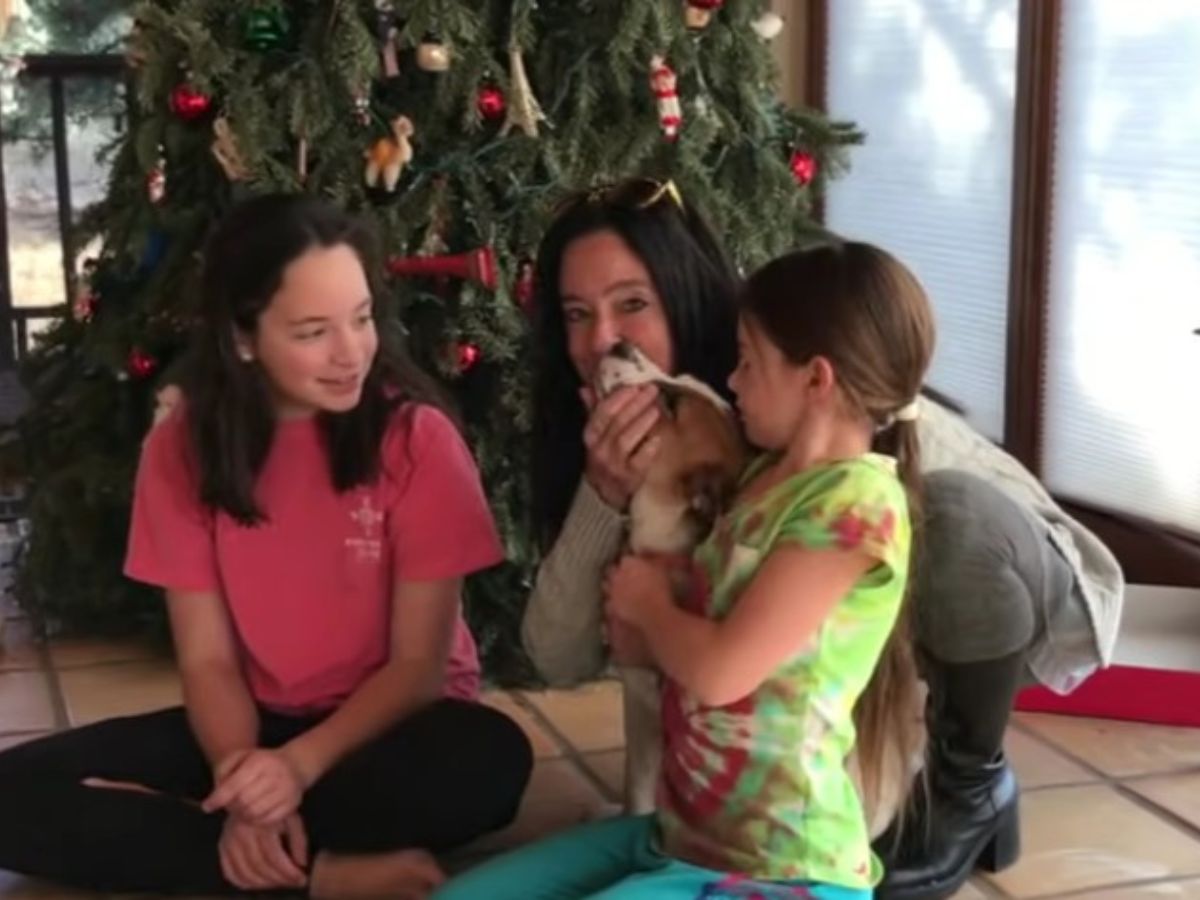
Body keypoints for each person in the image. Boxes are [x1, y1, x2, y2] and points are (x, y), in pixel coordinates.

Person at [519, 179, 1125, 900]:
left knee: (947, 517)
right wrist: (603, 493)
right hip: (741, 735)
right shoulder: (659, 415)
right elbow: (559, 653)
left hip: (1029, 587)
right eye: (576, 314)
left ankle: (970, 779)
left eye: (632, 304)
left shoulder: (803, 407)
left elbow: (805, 642)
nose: (600, 342)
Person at [0, 193, 533, 898]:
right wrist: (242, 774)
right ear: (242, 338)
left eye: (363, 317)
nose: (352, 354)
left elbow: (417, 668)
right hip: (248, 722)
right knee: (11, 795)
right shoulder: (181, 451)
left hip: (392, 725)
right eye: (313, 331)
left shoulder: (418, 442)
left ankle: (197, 839)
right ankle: (320, 874)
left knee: (490, 762)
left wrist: (291, 774)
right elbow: (209, 660)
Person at [438, 239, 934, 898]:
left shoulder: (857, 505)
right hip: (680, 835)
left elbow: (721, 671)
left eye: (749, 363)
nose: (731, 382)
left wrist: (651, 609)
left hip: (781, 868)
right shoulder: (757, 479)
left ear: (815, 380)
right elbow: (655, 643)